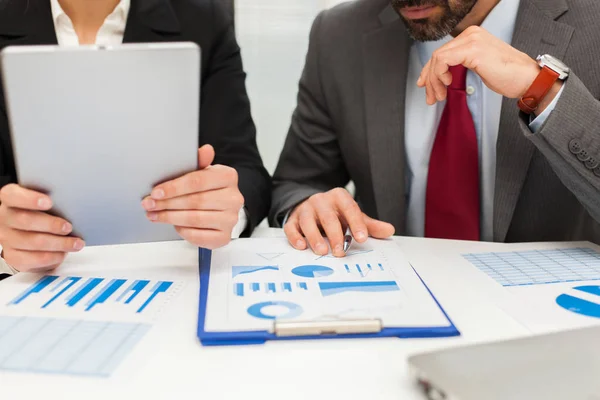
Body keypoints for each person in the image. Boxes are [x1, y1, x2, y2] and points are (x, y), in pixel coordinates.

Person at [271, 0, 600, 257]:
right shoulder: (340, 34)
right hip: (398, 315)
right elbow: (299, 182)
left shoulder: (592, 25)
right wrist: (309, 206)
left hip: (554, 324)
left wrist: (542, 88)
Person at [0, 0, 271, 274]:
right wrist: (5, 239)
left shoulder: (203, 19)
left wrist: (224, 212)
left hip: (166, 269)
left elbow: (246, 170)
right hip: (29, 278)